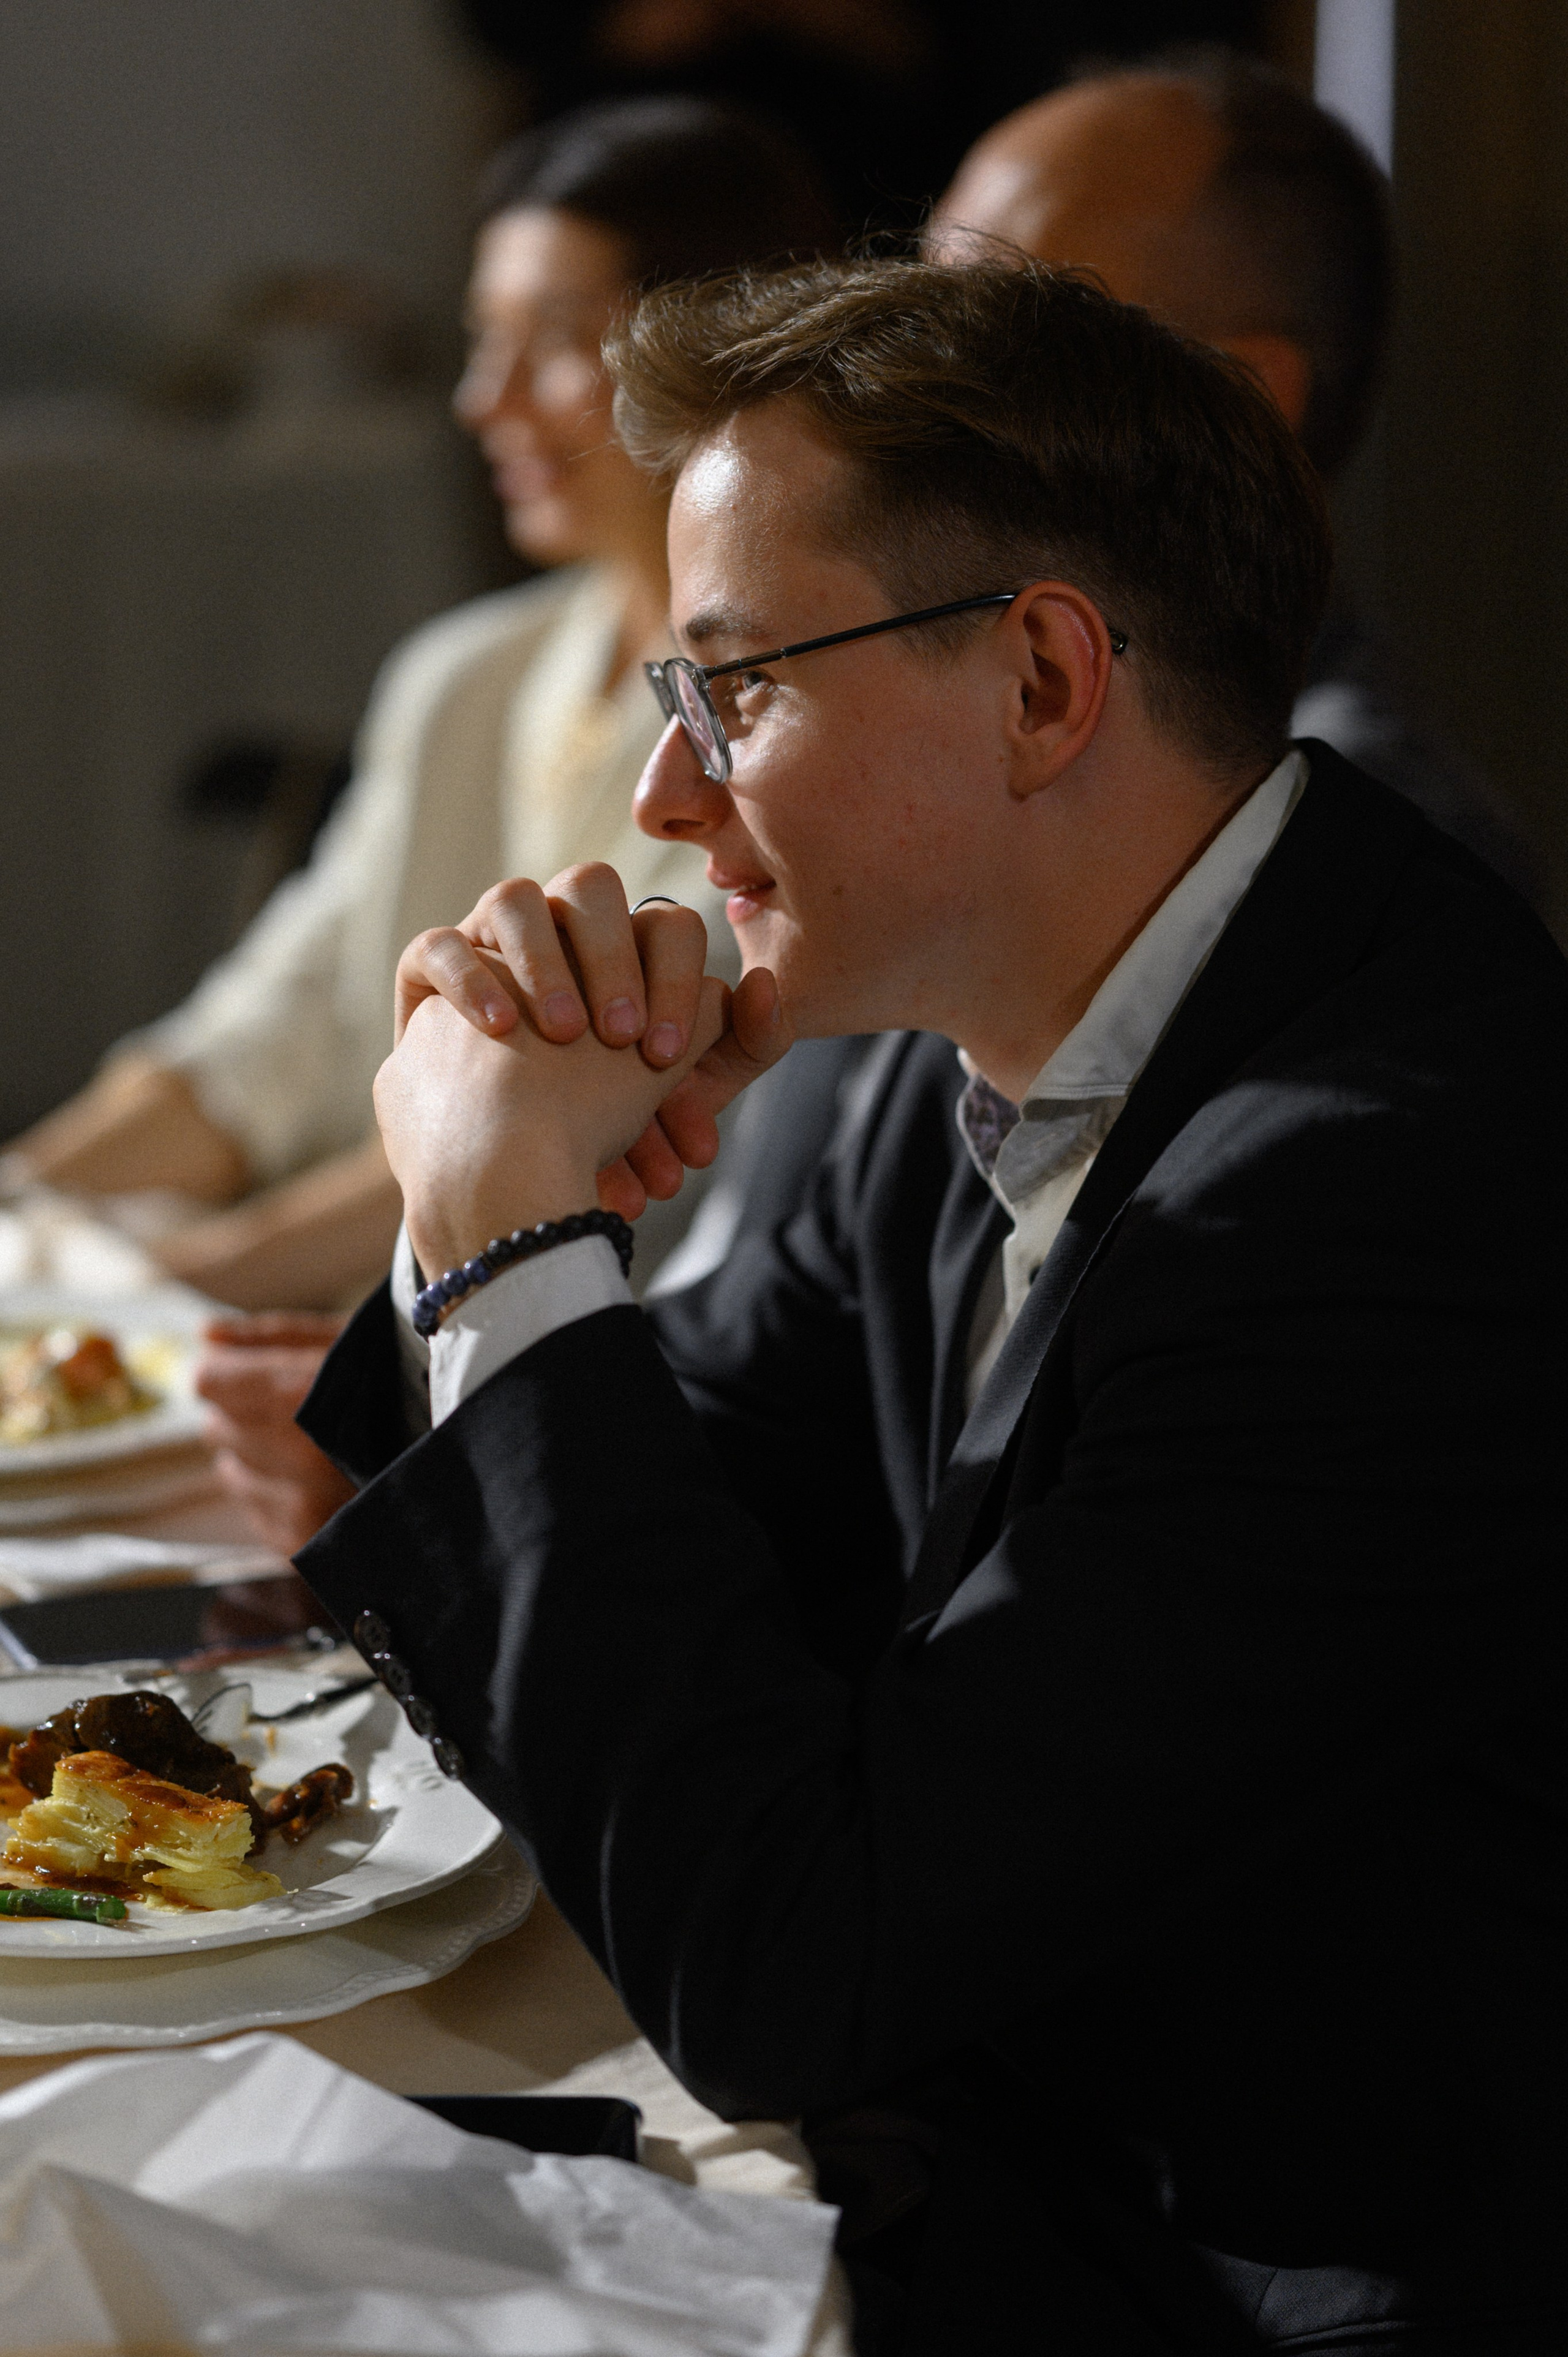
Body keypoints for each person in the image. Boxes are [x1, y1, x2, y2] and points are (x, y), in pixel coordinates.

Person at [290, 256, 1568, 2350]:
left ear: (1047, 683)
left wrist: (519, 1235)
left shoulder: (1381, 1189)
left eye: (734, 688)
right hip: (962, 2152)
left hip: (1219, 2287)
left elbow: (787, 1958)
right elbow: (665, 1602)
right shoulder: (958, 1042)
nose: (663, 799)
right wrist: (483, 1251)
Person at [2, 97, 836, 1314]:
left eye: (555, 342)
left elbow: (550, 1112)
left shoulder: (794, 713)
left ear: (714, 349)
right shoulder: (470, 673)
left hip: (596, 1322)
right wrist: (24, 1197)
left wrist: (145, 1299)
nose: (482, 399)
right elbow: (269, 1036)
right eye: (479, 340)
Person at [930, 48, 1537, 892]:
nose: (916, 384)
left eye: (1001, 325)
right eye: (921, 308)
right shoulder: (929, 721)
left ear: (1236, 403)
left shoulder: (1367, 857)